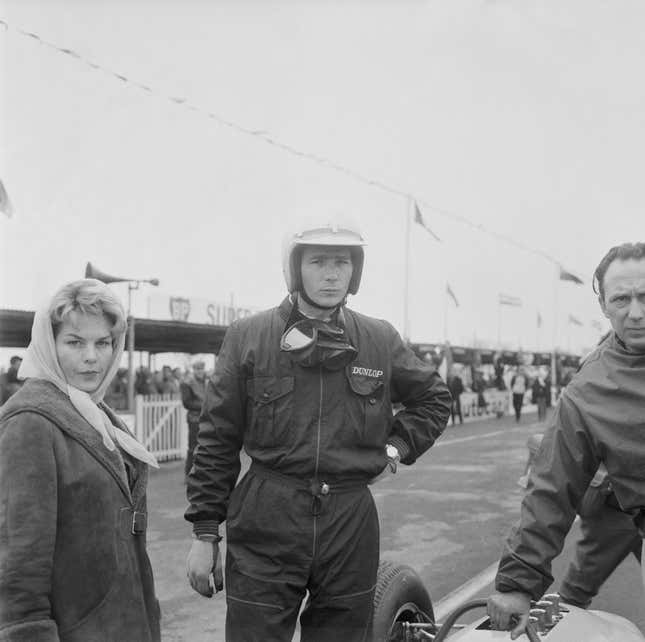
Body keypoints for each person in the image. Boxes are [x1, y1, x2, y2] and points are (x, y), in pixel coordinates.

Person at [185, 214, 452, 642]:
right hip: (267, 517)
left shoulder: (378, 339)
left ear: (355, 271)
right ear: (294, 267)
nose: (331, 275)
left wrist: (395, 448)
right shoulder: (249, 337)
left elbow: (434, 398)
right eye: (318, 262)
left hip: (349, 522)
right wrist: (204, 532)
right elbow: (216, 438)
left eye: (342, 263)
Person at [487, 242, 645, 638]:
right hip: (625, 514)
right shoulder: (588, 389)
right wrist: (518, 583)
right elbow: (552, 485)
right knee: (576, 591)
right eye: (622, 299)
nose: (637, 312)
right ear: (604, 307)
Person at [0, 279, 161, 641]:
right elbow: (18, 569)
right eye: (74, 342)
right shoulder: (30, 423)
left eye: (103, 342)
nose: (92, 356)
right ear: (48, 345)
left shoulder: (96, 414)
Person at [180, 359, 207, 477]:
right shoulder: (187, 382)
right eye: (197, 369)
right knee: (192, 447)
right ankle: (188, 474)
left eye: (201, 369)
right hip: (194, 418)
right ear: (194, 370)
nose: (200, 371)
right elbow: (187, 403)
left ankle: (202, 473)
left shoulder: (207, 381)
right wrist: (205, 406)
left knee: (206, 447)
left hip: (207, 418)